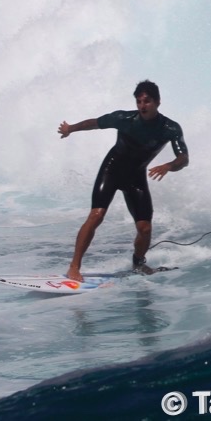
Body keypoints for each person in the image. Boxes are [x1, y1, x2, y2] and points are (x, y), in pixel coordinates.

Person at [57, 79, 189, 281]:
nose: (142, 106)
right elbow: (95, 123)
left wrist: (169, 166)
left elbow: (183, 158)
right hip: (112, 170)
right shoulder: (124, 118)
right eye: (139, 102)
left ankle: (138, 262)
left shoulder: (169, 128)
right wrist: (70, 128)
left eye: (147, 101)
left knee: (145, 228)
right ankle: (74, 267)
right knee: (96, 215)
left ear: (158, 102)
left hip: (136, 176)